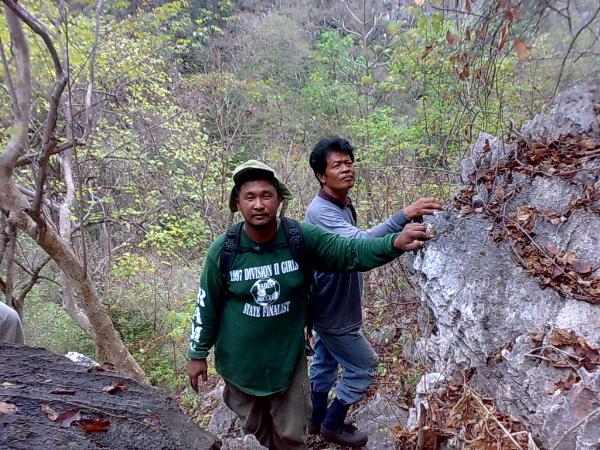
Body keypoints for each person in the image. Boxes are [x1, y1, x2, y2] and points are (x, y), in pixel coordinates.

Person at [187, 160, 432, 450]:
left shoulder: (299, 238)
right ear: (237, 203)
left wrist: (394, 242)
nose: (258, 204)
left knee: (292, 437)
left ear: (279, 199)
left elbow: (350, 251)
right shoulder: (225, 250)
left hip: (288, 362)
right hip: (240, 367)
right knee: (257, 429)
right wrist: (197, 353)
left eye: (266, 195)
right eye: (249, 197)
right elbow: (207, 304)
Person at [306, 136, 443, 447]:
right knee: (363, 366)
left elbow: (357, 242)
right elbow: (359, 245)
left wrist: (403, 217)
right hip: (334, 310)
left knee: (326, 361)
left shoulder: (340, 202)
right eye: (336, 165)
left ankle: (314, 421)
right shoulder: (321, 212)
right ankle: (332, 423)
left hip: (331, 306)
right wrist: (401, 221)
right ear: (320, 174)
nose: (346, 169)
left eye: (349, 163)